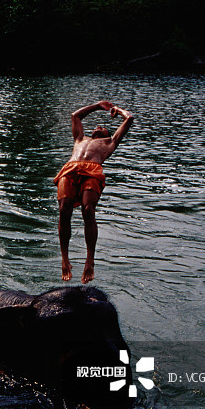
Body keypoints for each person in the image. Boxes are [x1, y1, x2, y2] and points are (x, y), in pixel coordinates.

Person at [54, 100, 134, 284]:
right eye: (97, 126)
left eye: (103, 127)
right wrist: (98, 106)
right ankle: (65, 259)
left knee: (88, 209)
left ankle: (89, 261)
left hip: (92, 170)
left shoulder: (110, 141)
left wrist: (117, 110)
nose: (99, 126)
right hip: (71, 169)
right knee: (64, 210)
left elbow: (129, 118)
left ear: (107, 133)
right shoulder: (80, 139)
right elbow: (76, 115)